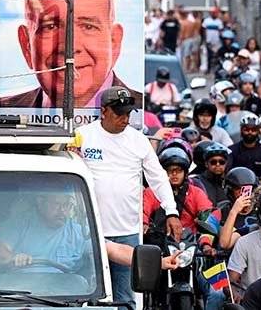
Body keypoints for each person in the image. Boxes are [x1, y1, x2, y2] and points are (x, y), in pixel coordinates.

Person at [69, 87, 179, 310]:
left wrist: (171, 211)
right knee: (83, 296)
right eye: (119, 113)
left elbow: (158, 178)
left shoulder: (138, 141)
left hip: (126, 233)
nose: (125, 118)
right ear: (103, 111)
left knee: (125, 298)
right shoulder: (82, 136)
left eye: (128, 113)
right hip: (89, 232)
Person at [0, 0, 133, 108]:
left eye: (88, 27)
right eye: (50, 26)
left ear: (114, 43)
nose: (70, 48)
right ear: (26, 45)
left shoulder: (140, 114)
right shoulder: (6, 109)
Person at [0, 184, 93, 275]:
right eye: (57, 204)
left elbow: (103, 247)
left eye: (67, 205)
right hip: (23, 289)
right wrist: (13, 257)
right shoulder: (18, 224)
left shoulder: (79, 232)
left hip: (70, 293)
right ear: (40, 202)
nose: (62, 210)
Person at [147, 148, 212, 235]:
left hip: (190, 242)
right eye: (170, 170)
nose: (174, 174)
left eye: (178, 170)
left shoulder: (196, 193)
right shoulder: (151, 191)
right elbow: (143, 212)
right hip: (158, 241)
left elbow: (208, 216)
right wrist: (144, 224)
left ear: (185, 173)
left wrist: (205, 243)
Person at [229, 113, 261, 179]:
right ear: (241, 130)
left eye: (253, 130)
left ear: (258, 131)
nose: (250, 132)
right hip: (237, 185)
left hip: (259, 186)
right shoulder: (232, 150)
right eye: (246, 130)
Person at [194, 143, 232, 207]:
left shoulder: (230, 182)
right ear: (206, 164)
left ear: (226, 164)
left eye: (222, 162)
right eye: (213, 162)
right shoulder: (197, 182)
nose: (218, 164)